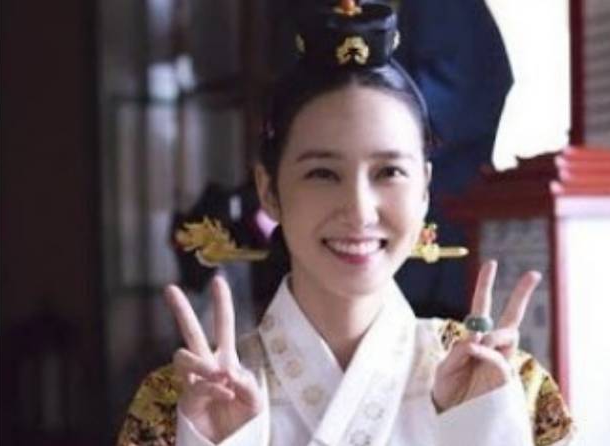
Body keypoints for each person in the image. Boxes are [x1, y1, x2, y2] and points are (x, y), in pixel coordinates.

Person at [117, 2, 574, 445]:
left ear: (425, 188)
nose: (358, 210)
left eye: (389, 171)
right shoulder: (182, 404)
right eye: (322, 173)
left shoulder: (506, 386)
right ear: (269, 190)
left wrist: (484, 432)